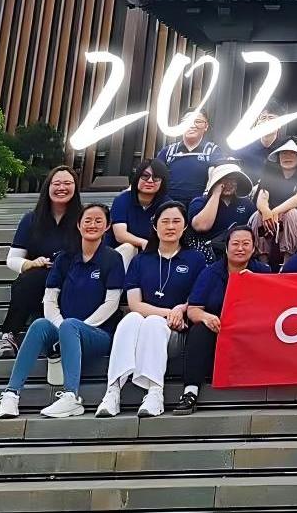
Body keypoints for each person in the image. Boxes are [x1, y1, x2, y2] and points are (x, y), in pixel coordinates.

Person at [0, 203, 124, 419]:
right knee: (39, 325)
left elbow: (111, 304)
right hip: (65, 328)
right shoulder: (65, 258)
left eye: (98, 221)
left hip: (98, 333)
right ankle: (11, 394)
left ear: (108, 226)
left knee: (70, 325)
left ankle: (71, 397)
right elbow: (50, 298)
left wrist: (73, 328)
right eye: (87, 220)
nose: (92, 225)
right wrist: (61, 326)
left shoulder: (112, 258)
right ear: (78, 225)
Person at [97, 201, 205, 418]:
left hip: (176, 332)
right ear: (155, 226)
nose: (170, 226)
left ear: (185, 226)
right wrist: (169, 312)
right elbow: (134, 304)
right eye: (165, 221)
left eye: (176, 221)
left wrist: (180, 310)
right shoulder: (141, 260)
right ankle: (113, 391)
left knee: (153, 323)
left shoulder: (195, 259)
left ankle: (155, 391)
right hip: (150, 323)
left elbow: (197, 298)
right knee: (130, 319)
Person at [171, 226, 269, 415]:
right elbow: (193, 309)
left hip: (251, 333)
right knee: (198, 330)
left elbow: (274, 306)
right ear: (226, 247)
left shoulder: (263, 271)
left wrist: (256, 283)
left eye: (246, 244)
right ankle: (190, 391)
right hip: (219, 332)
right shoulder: (210, 273)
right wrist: (206, 317)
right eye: (235, 244)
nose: (240, 248)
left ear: (253, 248)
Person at [0, 166, 82, 359]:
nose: (62, 188)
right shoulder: (31, 219)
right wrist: (32, 263)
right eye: (56, 183)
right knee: (27, 281)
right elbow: (12, 259)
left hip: (71, 278)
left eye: (67, 183)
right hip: (38, 279)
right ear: (47, 187)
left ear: (75, 188)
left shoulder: (83, 218)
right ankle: (9, 335)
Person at [253, 139, 297, 268]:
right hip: (271, 228)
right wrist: (266, 211)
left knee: (291, 213)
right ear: (278, 156)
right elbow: (262, 196)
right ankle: (263, 263)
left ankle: (286, 264)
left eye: (292, 153)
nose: (287, 156)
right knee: (258, 215)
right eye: (284, 153)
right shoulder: (271, 177)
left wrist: (276, 211)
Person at [188, 163, 259, 261]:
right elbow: (201, 226)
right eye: (224, 180)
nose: (229, 184)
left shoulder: (246, 204)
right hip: (208, 255)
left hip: (238, 254)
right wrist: (216, 194)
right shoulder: (200, 202)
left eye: (233, 180)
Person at [109, 159, 170, 269]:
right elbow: (120, 235)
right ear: (137, 178)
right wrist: (143, 243)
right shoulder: (122, 200)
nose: (150, 181)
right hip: (121, 252)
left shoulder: (168, 205)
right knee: (129, 247)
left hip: (154, 254)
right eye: (145, 176)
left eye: (156, 177)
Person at [157, 112, 220, 205]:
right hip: (168, 205)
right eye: (187, 121)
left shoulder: (213, 151)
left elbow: (218, 179)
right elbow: (154, 175)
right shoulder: (168, 151)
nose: (192, 125)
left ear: (206, 126)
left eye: (198, 121)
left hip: (200, 206)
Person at [232, 110, 287, 184]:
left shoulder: (285, 148)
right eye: (263, 118)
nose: (266, 121)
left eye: (271, 118)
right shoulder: (243, 147)